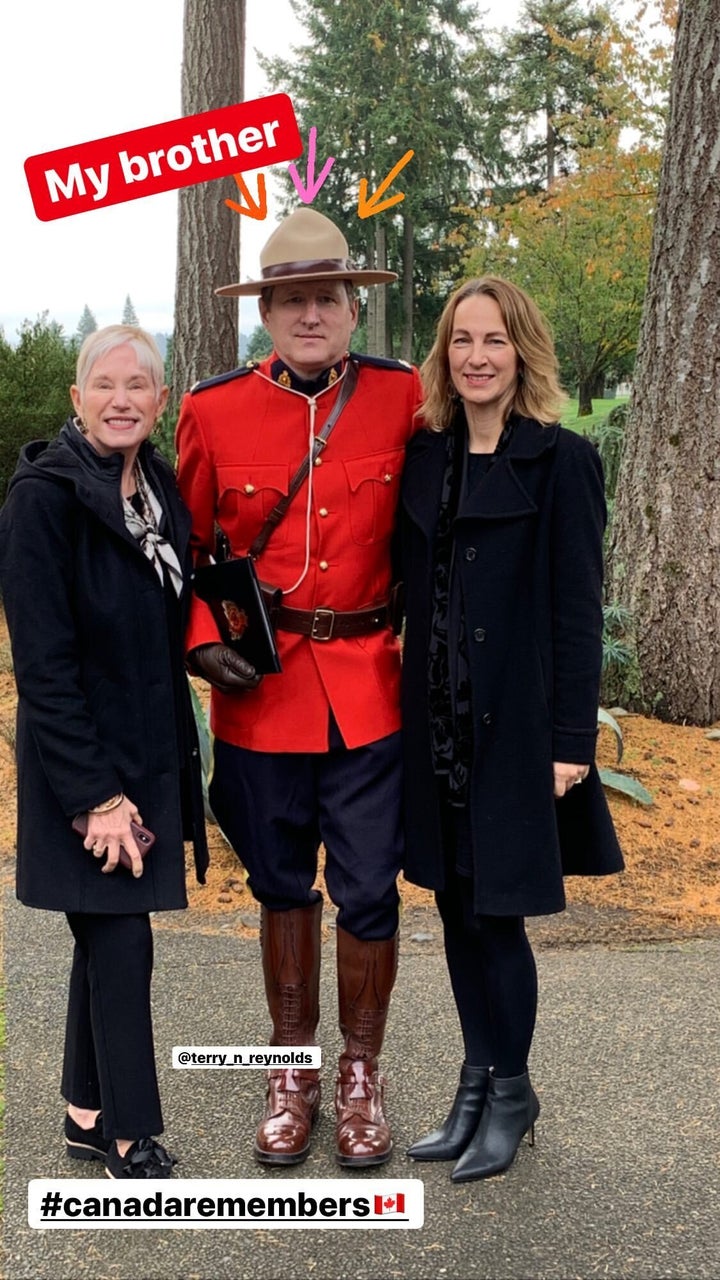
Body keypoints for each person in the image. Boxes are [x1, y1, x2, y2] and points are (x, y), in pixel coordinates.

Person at [175, 207, 423, 1168]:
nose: (309, 314)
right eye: (290, 300)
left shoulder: (403, 399)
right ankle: (295, 1068)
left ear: (351, 308)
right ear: (266, 314)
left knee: (369, 892)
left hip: (368, 687)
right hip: (260, 694)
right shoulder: (213, 410)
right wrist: (199, 643)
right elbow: (187, 554)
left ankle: (361, 1074)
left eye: (326, 297)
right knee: (281, 884)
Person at [399, 276, 623, 1182]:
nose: (477, 356)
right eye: (461, 341)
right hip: (437, 723)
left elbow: (578, 611)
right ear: (445, 356)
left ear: (521, 351)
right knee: (455, 911)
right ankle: (472, 1084)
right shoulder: (426, 456)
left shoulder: (561, 461)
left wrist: (573, 742)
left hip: (518, 730)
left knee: (499, 920)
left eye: (494, 340)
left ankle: (513, 1091)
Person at [0, 325, 209, 1180]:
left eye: (140, 385)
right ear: (76, 399)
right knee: (123, 942)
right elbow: (41, 668)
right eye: (105, 384)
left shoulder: (155, 486)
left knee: (106, 936)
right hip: (82, 769)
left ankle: (86, 1112)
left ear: (161, 403)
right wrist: (94, 797)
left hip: (149, 757)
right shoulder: (42, 501)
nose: (122, 399)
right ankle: (128, 1131)